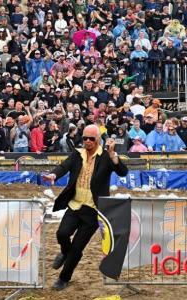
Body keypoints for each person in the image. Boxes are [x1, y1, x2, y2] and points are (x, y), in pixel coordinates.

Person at [42, 125, 128, 291]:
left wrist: (113, 156)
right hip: (75, 204)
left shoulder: (105, 156)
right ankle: (64, 252)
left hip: (93, 210)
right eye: (85, 138)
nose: (87, 141)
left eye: (91, 139)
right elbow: (63, 166)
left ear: (98, 139)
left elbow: (122, 172)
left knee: (77, 248)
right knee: (62, 234)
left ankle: (63, 278)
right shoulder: (77, 154)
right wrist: (53, 175)